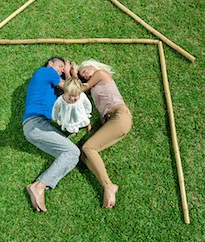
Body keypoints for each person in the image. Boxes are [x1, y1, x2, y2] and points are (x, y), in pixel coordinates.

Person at [22, 56, 80, 212]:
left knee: (72, 156)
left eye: (62, 68)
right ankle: (39, 185)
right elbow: (73, 89)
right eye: (60, 66)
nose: (61, 69)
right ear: (50, 63)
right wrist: (69, 72)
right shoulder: (46, 71)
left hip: (38, 127)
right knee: (72, 152)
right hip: (36, 124)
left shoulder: (52, 92)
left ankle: (40, 186)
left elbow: (71, 99)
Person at [75, 59, 132, 208]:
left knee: (88, 148)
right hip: (112, 122)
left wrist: (72, 73)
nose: (85, 75)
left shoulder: (101, 73)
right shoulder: (94, 83)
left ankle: (108, 186)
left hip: (119, 116)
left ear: (91, 64)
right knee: (83, 154)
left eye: (84, 71)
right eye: (82, 75)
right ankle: (107, 185)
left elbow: (81, 88)